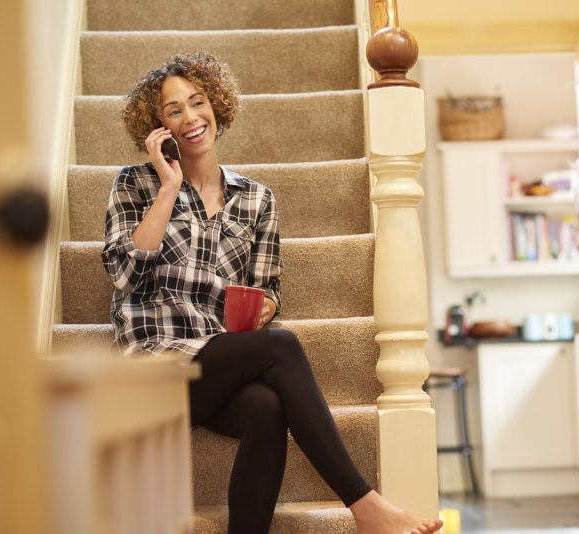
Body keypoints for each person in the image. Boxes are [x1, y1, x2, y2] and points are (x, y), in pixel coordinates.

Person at [101, 51, 443, 534]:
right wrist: (168, 187)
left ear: (216, 105)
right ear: (158, 128)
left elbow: (265, 287)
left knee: (267, 404)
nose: (191, 117)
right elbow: (125, 274)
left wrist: (266, 306)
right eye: (173, 111)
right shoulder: (134, 184)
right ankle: (365, 506)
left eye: (197, 102)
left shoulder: (257, 199)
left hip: (215, 363)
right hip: (153, 371)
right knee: (282, 347)